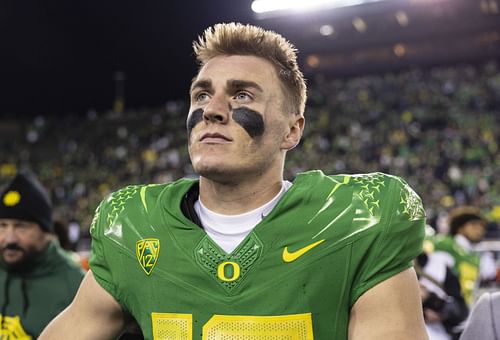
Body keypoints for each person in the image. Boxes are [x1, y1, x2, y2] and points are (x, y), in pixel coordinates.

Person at [40, 22, 428, 339]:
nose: (212, 110)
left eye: (241, 96)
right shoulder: (133, 224)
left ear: (291, 131)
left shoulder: (358, 219)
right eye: (201, 95)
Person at [0, 173, 85, 338]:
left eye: (21, 227)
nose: (9, 238)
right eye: (2, 226)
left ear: (46, 232)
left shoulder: (77, 286)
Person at [429, 206, 493, 306]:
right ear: (460, 227)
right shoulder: (445, 246)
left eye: (482, 226)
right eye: (473, 225)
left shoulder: (475, 254)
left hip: (464, 312)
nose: (479, 230)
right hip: (441, 313)